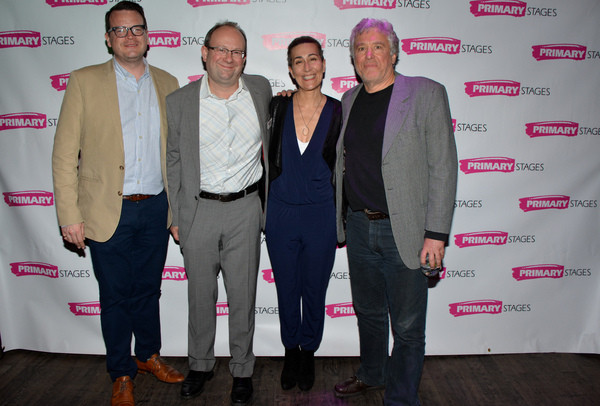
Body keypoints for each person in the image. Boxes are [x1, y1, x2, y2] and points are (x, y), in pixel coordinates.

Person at [51, 3, 183, 406]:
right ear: (108, 38)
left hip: (156, 206)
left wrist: (176, 213)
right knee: (115, 295)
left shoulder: (168, 82)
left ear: (148, 35)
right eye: (119, 30)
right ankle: (121, 371)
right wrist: (69, 215)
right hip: (108, 211)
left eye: (136, 28)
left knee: (148, 290)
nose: (129, 36)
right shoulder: (84, 81)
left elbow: (176, 155)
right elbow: (63, 154)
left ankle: (147, 355)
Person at [332, 18, 458, 406]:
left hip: (405, 229)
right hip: (358, 226)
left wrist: (436, 234)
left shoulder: (426, 93)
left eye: (377, 47)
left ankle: (402, 398)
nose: (368, 55)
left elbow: (443, 165)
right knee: (368, 313)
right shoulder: (349, 101)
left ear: (395, 52)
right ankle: (372, 374)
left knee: (406, 326)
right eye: (360, 48)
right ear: (353, 57)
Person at [165, 21, 271, 406]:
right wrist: (175, 215)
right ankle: (200, 365)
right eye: (221, 50)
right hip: (198, 211)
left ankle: (242, 369)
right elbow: (173, 162)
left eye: (237, 51)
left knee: (243, 296)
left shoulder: (261, 90)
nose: (229, 58)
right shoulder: (179, 101)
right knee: (200, 296)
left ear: (245, 58)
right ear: (205, 52)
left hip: (246, 209)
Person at [265, 36, 341, 392]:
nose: (307, 67)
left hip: (321, 217)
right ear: (291, 70)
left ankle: (308, 351)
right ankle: (290, 351)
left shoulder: (340, 111)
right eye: (298, 61)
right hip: (280, 214)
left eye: (313, 59)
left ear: (324, 64)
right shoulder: (275, 108)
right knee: (286, 288)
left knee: (314, 289)